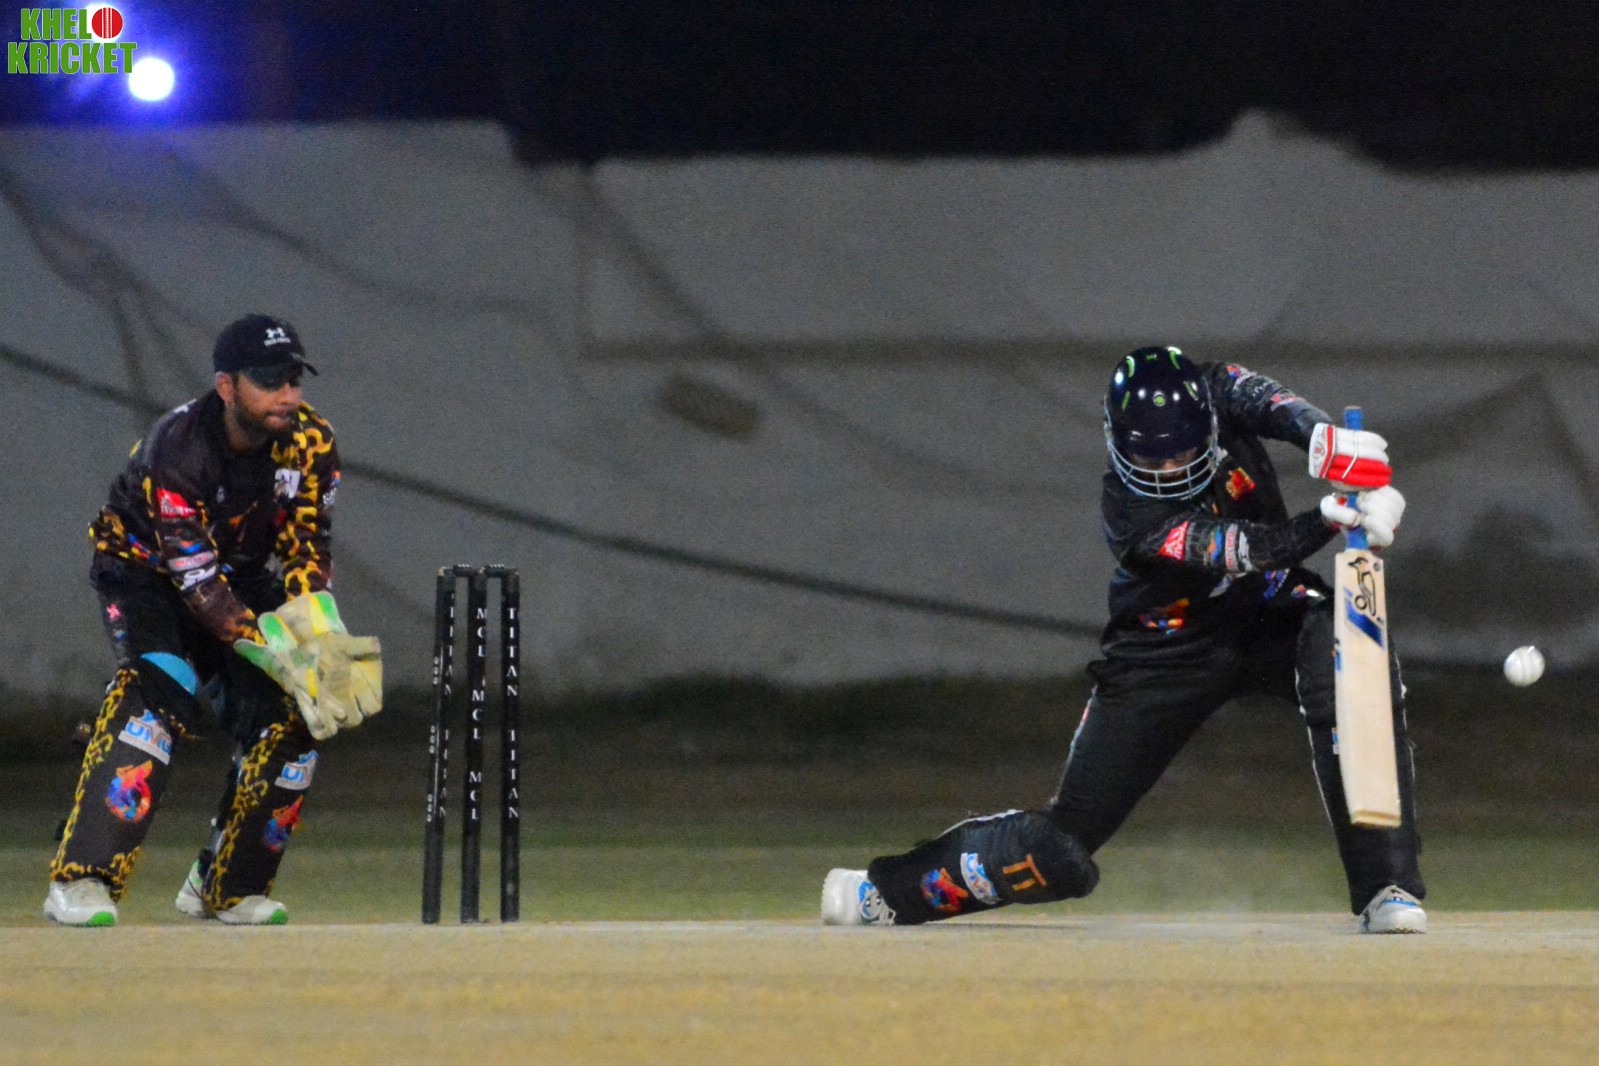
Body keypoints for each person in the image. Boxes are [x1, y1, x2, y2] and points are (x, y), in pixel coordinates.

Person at [821, 345, 1426, 934]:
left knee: (1348, 658)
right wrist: (1332, 518)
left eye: (1183, 453)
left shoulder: (1214, 390)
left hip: (1272, 611)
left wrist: (1325, 439)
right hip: (1165, 653)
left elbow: (1271, 405)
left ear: (1208, 425)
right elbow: (1242, 549)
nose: (1169, 471)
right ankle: (883, 893)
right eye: (1151, 460)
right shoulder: (1130, 514)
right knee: (1057, 851)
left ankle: (1387, 886)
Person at [44, 314, 382, 927]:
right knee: (159, 694)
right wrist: (275, 648)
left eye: (293, 380)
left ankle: (224, 886)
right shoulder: (178, 446)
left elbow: (307, 547)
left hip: (240, 572)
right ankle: (82, 880)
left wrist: (320, 632)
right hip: (144, 573)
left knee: (295, 712)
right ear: (227, 386)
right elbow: (197, 583)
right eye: (269, 381)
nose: (287, 395)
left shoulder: (311, 441)